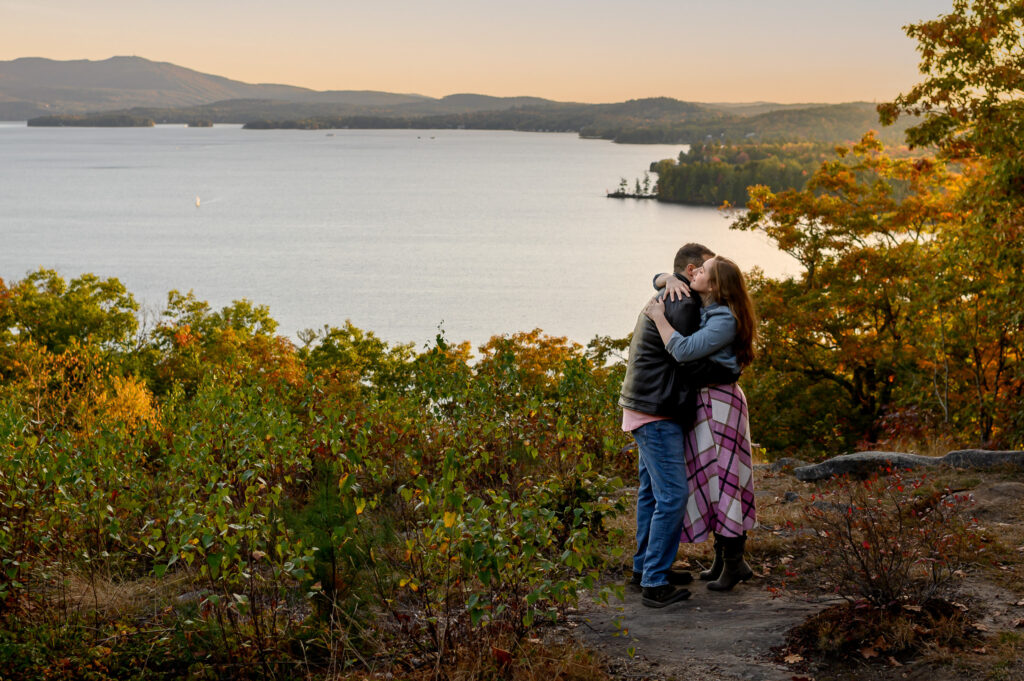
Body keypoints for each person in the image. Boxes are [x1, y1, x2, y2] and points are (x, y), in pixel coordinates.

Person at [618, 243, 737, 608]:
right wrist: (728, 370)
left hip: (642, 404)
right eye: (702, 270)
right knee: (672, 496)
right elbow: (686, 357)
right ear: (690, 272)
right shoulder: (684, 306)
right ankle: (654, 581)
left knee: (651, 494)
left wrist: (662, 277)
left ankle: (647, 569)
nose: (705, 276)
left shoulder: (667, 293)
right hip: (657, 410)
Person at [643, 255, 757, 591]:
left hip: (720, 403)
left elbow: (683, 349)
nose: (695, 272)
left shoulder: (724, 319)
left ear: (717, 285)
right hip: (710, 402)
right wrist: (668, 278)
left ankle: (734, 562)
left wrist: (658, 317)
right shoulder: (713, 307)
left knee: (725, 480)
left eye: (703, 270)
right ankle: (724, 558)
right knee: (713, 480)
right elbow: (657, 277)